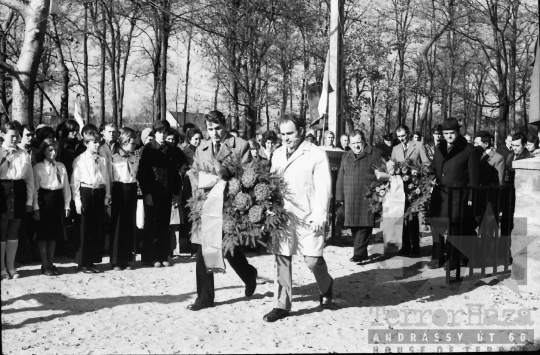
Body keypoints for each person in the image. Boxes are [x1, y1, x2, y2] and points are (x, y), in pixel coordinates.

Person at [263, 114, 333, 322]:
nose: (286, 138)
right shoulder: (276, 154)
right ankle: (282, 305)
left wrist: (321, 214)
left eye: (290, 133)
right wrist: (269, 207)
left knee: (313, 260)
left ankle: (326, 285)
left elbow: (324, 188)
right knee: (282, 259)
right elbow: (273, 184)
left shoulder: (316, 154)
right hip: (282, 216)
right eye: (282, 134)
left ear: (301, 130)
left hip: (309, 215)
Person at [186, 110, 258, 311]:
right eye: (210, 129)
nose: (214, 133)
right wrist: (201, 185)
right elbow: (193, 171)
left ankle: (248, 274)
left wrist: (227, 182)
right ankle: (204, 297)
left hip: (228, 205)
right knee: (203, 247)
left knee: (228, 248)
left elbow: (248, 175)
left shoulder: (240, 146)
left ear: (225, 126)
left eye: (218, 128)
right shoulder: (202, 147)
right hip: (206, 203)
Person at [428, 117, 480, 269]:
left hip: (457, 197)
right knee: (436, 226)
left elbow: (474, 178)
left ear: (458, 132)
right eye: (446, 133)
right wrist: (422, 173)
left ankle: (453, 260)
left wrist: (471, 197)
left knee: (454, 228)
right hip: (439, 195)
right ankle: (437, 257)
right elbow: (434, 167)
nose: (449, 136)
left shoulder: (468, 150)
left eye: (452, 133)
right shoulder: (439, 148)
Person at [137, 120, 182, 268]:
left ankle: (163, 255)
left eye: (165, 132)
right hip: (152, 193)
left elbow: (175, 173)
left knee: (164, 225)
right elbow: (142, 174)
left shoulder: (171, 149)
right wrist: (147, 193)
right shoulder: (148, 149)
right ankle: (151, 257)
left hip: (167, 192)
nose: (162, 135)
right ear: (154, 133)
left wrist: (176, 192)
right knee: (152, 224)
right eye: (159, 132)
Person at [336, 130, 384, 263]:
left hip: (367, 197)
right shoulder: (346, 156)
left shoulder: (375, 153)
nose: (356, 146)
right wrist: (340, 196)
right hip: (350, 197)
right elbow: (341, 176)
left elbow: (384, 174)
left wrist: (380, 192)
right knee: (354, 225)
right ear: (349, 144)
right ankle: (361, 253)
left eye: (359, 142)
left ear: (364, 141)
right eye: (353, 143)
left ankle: (358, 253)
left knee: (364, 226)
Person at [71, 130, 110, 273]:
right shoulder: (80, 160)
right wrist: (78, 201)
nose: (97, 144)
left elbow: (105, 179)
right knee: (84, 228)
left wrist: (106, 199)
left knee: (95, 228)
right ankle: (83, 262)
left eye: (99, 141)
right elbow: (74, 182)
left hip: (99, 193)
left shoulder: (102, 159)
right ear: (86, 143)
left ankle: (92, 260)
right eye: (94, 142)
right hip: (86, 192)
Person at [0, 122, 35, 280]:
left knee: (14, 231)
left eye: (16, 136)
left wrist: (29, 201)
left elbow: (29, 180)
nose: (14, 139)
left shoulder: (24, 154)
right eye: (11, 136)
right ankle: (1, 268)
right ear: (2, 134)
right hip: (2, 192)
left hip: (18, 191)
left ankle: (11, 266)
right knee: (2, 230)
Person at [32, 139, 71, 276]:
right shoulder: (38, 167)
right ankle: (45, 264)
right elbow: (35, 189)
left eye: (55, 149)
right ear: (43, 151)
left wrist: (67, 205)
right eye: (50, 149)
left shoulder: (61, 166)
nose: (53, 152)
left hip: (57, 201)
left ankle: (51, 262)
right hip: (44, 200)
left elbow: (66, 187)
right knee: (43, 234)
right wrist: (35, 207)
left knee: (54, 234)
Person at [391, 124, 430, 257]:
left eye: (403, 136)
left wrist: (419, 176)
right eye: (399, 137)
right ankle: (405, 245)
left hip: (414, 187)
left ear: (408, 133)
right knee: (402, 217)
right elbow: (392, 165)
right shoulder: (396, 148)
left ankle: (415, 245)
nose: (401, 139)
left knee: (412, 217)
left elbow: (426, 163)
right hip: (400, 188)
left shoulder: (418, 145)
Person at [110, 128, 139, 271]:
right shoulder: (114, 158)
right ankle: (116, 260)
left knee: (129, 224)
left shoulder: (134, 157)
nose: (134, 146)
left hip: (131, 189)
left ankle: (126, 258)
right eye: (132, 143)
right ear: (124, 142)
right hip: (119, 189)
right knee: (118, 225)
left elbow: (135, 175)